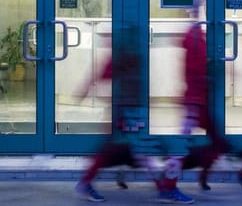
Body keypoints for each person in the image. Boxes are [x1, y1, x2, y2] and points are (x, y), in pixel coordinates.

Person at [74, 25, 178, 203]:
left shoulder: (126, 55)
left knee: (130, 151)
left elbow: (104, 75)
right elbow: (104, 74)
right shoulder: (126, 56)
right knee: (141, 151)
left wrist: (86, 89)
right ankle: (163, 190)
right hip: (128, 111)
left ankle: (88, 182)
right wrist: (86, 89)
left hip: (128, 110)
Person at [157, 0, 228, 198]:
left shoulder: (195, 33)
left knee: (214, 141)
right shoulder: (194, 35)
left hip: (198, 100)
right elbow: (195, 68)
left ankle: (177, 178)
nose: (200, 9)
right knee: (184, 144)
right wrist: (207, 77)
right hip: (195, 100)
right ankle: (169, 184)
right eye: (198, 6)